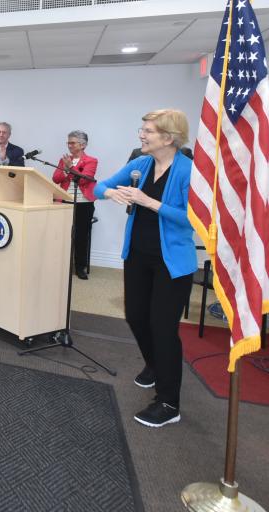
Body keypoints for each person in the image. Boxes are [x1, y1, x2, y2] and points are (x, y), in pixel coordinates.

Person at [95, 109, 195, 428]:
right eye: (142, 129)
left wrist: (148, 202)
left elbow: (194, 218)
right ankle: (155, 365)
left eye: (148, 131)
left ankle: (169, 403)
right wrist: (115, 192)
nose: (141, 135)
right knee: (136, 316)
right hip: (137, 255)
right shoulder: (140, 163)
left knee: (163, 328)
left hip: (171, 263)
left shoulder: (188, 171)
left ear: (168, 137)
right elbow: (100, 187)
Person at [52, 130, 98, 280]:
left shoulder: (91, 161)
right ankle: (63, 266)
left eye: (72, 143)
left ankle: (80, 267)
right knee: (63, 235)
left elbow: (84, 180)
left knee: (81, 236)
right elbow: (56, 178)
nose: (69, 145)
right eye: (68, 142)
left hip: (83, 204)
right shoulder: (64, 160)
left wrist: (70, 167)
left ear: (83, 145)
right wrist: (66, 169)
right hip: (65, 201)